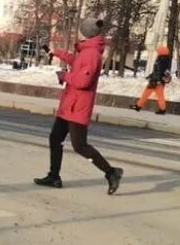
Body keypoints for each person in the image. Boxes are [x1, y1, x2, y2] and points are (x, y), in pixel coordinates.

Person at [34, 18, 124, 195]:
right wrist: (57, 53)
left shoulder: (91, 54)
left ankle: (111, 172)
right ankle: (54, 176)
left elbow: (83, 80)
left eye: (80, 29)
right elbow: (76, 63)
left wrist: (64, 76)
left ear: (85, 33)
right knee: (55, 138)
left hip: (78, 107)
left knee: (80, 146)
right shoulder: (86, 50)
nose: (78, 32)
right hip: (70, 105)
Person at [130, 45, 171, 114]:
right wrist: (150, 76)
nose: (157, 52)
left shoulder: (161, 60)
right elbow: (157, 71)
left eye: (158, 51)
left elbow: (159, 71)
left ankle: (162, 110)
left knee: (157, 95)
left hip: (156, 81)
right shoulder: (164, 59)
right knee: (148, 93)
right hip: (156, 80)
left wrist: (158, 80)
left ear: (161, 52)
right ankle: (138, 106)